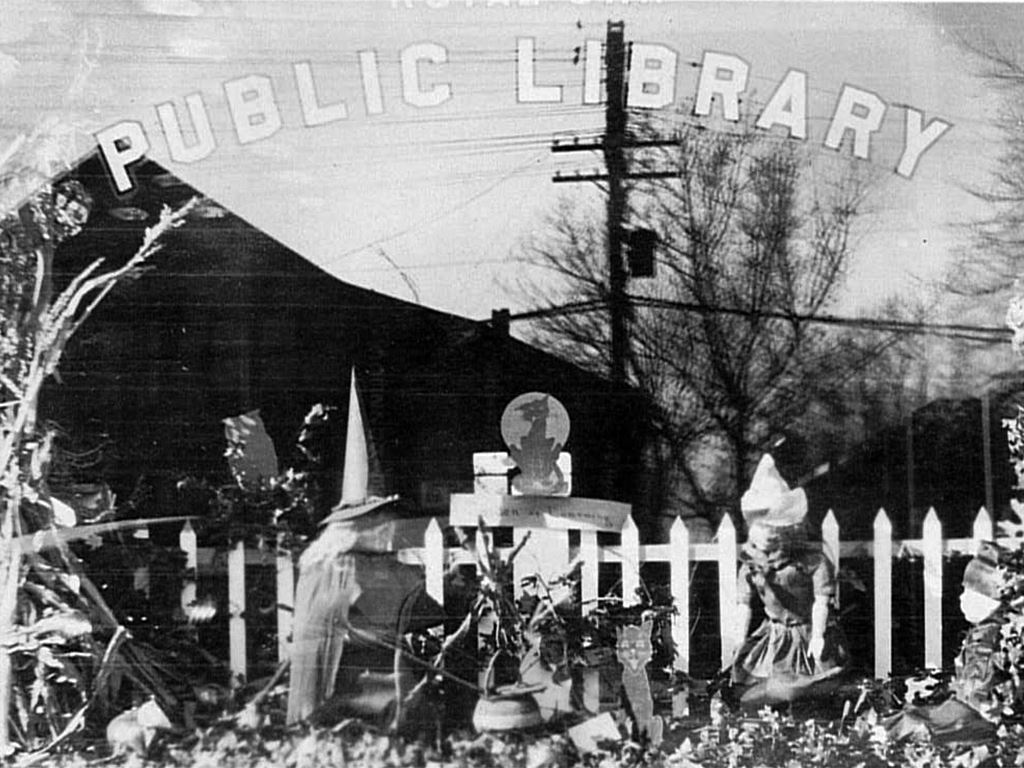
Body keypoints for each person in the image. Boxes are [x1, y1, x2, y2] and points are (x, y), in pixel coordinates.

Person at [726, 454, 848, 710]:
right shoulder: (752, 565)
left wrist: (818, 634)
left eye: (772, 528)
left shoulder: (810, 562)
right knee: (762, 689)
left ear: (787, 529)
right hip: (774, 635)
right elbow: (744, 605)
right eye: (759, 527)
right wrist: (739, 637)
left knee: (811, 689)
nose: (764, 535)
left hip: (806, 633)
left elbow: (821, 601)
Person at [884, 541, 1024, 745]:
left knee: (915, 723)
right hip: (970, 709)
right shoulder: (985, 631)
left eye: (970, 593)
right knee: (914, 715)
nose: (961, 597)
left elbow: (977, 695)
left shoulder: (988, 640)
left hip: (975, 718)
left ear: (992, 600)